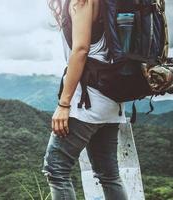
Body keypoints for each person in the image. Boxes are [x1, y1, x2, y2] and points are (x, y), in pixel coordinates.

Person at [41, 0, 129, 199]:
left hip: (87, 101)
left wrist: (64, 104)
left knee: (56, 170)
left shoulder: (82, 1)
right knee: (109, 175)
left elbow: (80, 49)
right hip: (112, 100)